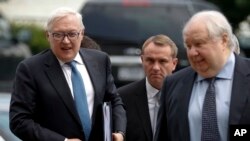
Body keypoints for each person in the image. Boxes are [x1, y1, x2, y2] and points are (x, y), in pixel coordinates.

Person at [9, 7, 126, 141]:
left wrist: (119, 132)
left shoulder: (100, 60)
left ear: (81, 34)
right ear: (48, 35)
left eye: (72, 34)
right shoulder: (30, 69)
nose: (66, 41)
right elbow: (19, 121)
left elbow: (114, 100)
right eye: (58, 34)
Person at [154, 10, 250, 141]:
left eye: (199, 44)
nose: (193, 52)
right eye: (188, 46)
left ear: (223, 40)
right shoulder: (173, 84)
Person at [117, 34, 178, 141]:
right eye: (150, 60)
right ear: (142, 60)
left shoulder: (186, 96)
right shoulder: (122, 98)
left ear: (174, 63)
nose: (155, 67)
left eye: (162, 61)